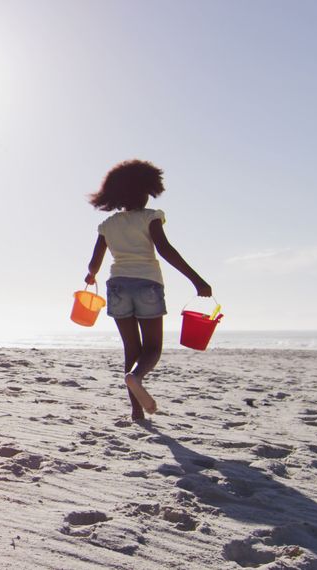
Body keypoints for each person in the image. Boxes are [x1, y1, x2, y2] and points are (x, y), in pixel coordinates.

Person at [83, 160, 211, 421]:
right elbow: (165, 251)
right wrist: (197, 281)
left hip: (117, 285)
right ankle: (137, 377)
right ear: (146, 191)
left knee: (131, 349)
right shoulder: (150, 217)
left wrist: (91, 274)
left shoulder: (108, 225)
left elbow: (94, 263)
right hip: (147, 285)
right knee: (153, 347)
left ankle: (136, 411)